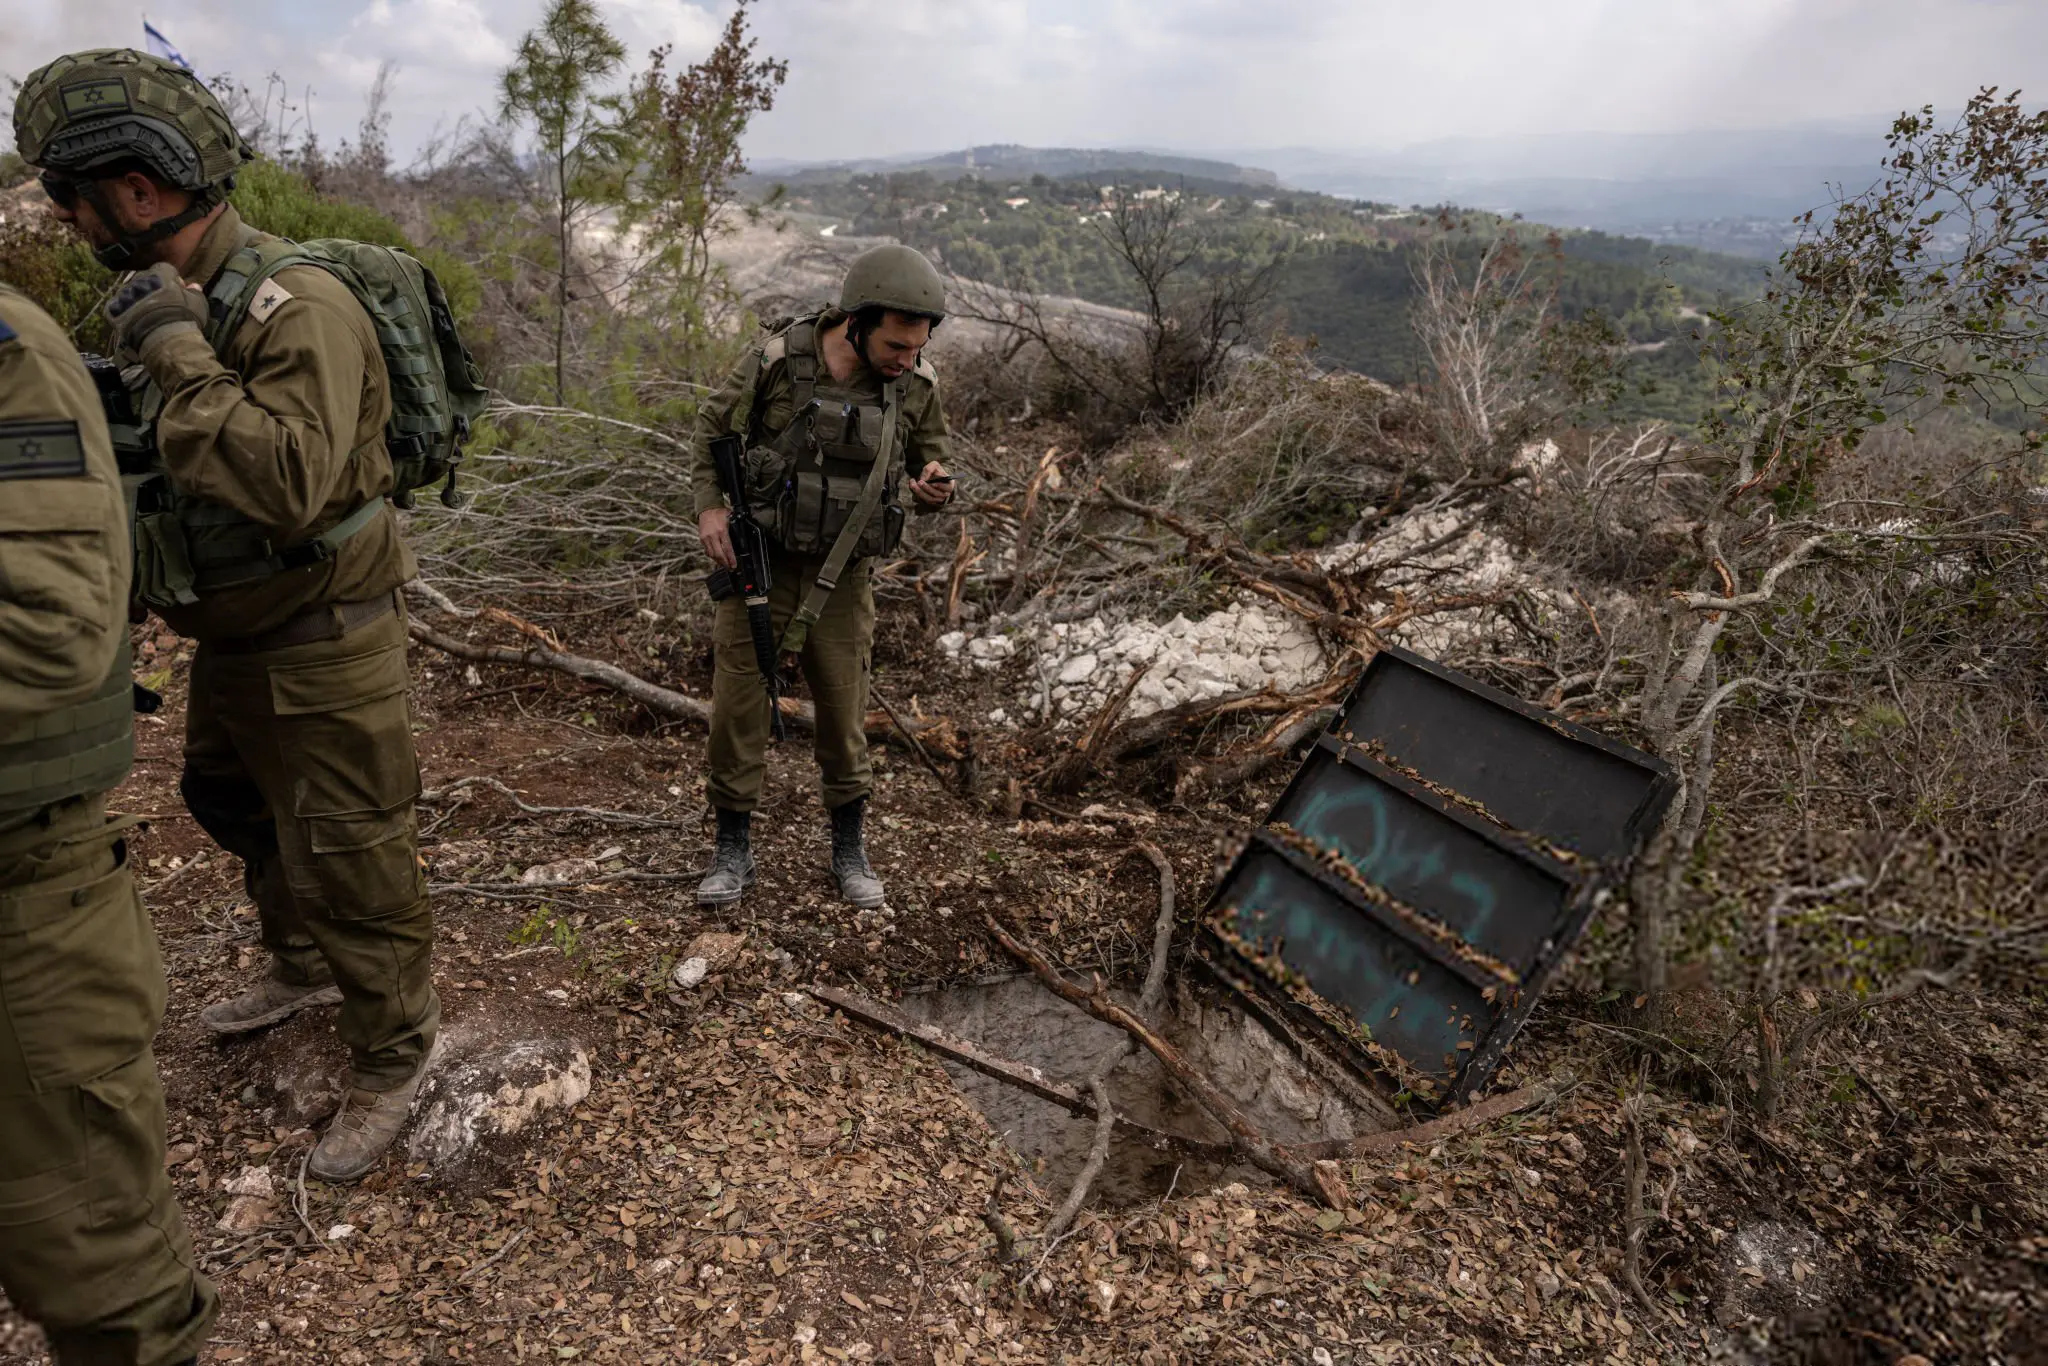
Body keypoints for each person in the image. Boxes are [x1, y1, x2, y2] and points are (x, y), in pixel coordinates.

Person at [13, 47, 439, 1182]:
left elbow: (290, 479)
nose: (63, 216)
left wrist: (173, 352)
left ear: (139, 192)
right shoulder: (184, 300)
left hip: (325, 635)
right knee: (229, 797)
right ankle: (299, 961)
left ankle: (393, 1054)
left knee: (355, 853)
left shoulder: (289, 304)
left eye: (70, 193)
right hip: (242, 630)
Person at [0, 283, 219, 1364]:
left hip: (20, 893)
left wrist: (182, 354)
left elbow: (52, 630)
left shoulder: (9, 352)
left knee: (102, 1280)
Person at [693, 244, 956, 908]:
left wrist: (934, 485)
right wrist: (708, 511)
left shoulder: (913, 387)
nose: (905, 358)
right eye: (895, 344)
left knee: (844, 717)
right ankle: (733, 848)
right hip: (763, 563)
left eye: (915, 346)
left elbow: (933, 458)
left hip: (844, 579)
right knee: (738, 710)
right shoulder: (778, 362)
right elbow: (710, 429)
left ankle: (848, 848)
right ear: (858, 320)